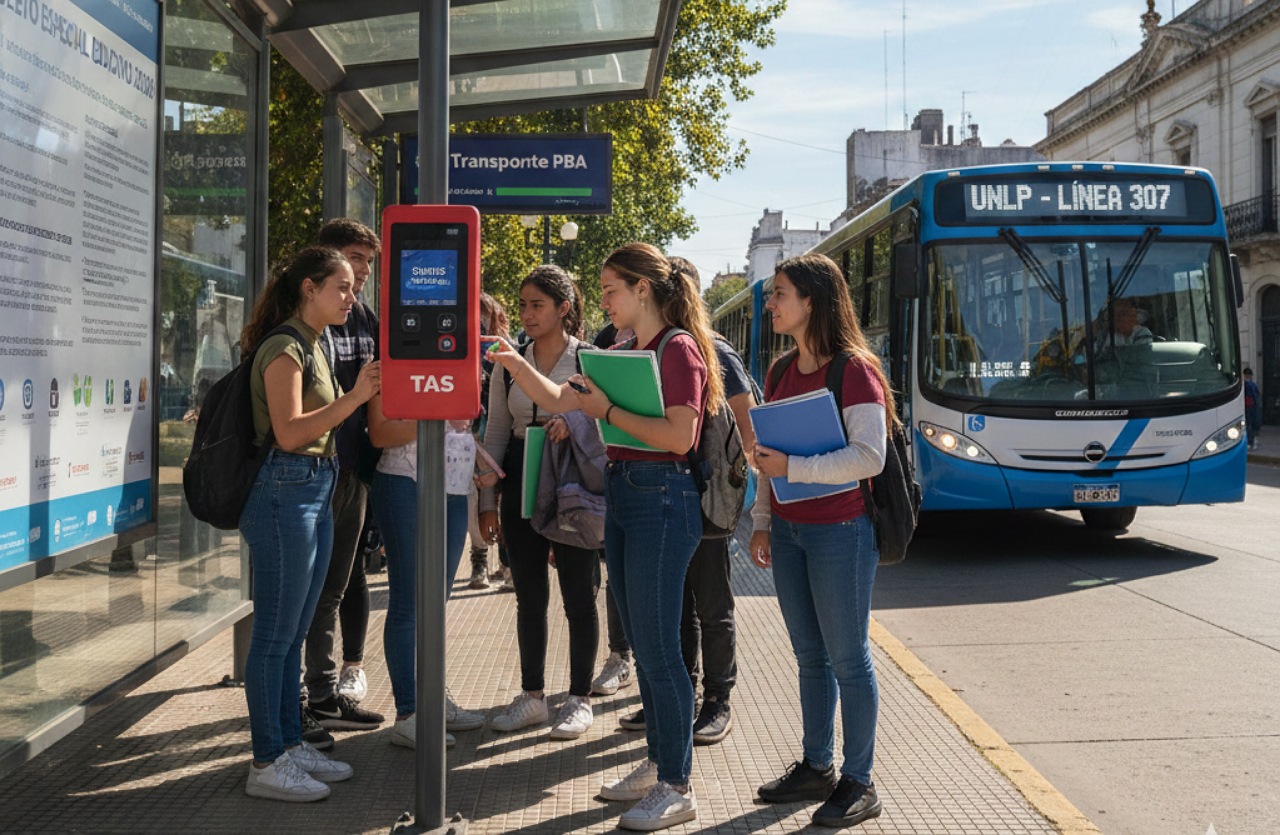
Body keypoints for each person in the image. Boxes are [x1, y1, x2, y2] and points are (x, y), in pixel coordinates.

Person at [489, 243, 723, 831]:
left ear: (643, 289)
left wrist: (609, 412)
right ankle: (659, 763)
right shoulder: (623, 348)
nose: (604, 301)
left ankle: (676, 784)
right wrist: (512, 363)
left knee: (661, 648)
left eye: (611, 289)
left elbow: (678, 437)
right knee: (645, 643)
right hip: (626, 494)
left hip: (662, 497)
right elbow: (559, 400)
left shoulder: (679, 349)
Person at [749, 253, 888, 828]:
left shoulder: (855, 370)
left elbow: (869, 457)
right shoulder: (782, 370)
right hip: (788, 530)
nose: (770, 303)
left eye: (779, 293)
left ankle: (859, 781)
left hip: (841, 531)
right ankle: (816, 767)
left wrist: (794, 468)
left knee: (848, 658)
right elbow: (767, 454)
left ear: (812, 301)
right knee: (810, 656)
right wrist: (762, 518)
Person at [238, 246, 381, 802]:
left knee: (293, 632)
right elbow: (291, 431)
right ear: (309, 289)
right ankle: (266, 760)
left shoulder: (312, 342)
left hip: (313, 487)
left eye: (353, 287)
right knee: (275, 636)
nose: (352, 297)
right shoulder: (285, 346)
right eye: (341, 287)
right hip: (285, 490)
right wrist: (356, 397)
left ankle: (290, 741)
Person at [478, 265, 602, 742]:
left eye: (538, 305)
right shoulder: (508, 361)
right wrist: (488, 500)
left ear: (563, 310)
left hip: (572, 480)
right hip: (520, 475)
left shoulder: (588, 360)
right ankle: (533, 696)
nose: (527, 314)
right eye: (523, 304)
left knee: (578, 592)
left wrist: (575, 423)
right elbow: (492, 431)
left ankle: (579, 698)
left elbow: (606, 426)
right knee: (528, 594)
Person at [301, 219, 386, 734]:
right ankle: (301, 703)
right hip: (306, 473)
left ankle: (325, 694)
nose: (362, 273)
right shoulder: (299, 332)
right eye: (355, 258)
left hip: (350, 470)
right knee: (301, 594)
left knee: (332, 586)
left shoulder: (362, 317)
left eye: (368, 264)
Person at [367, 404, 488, 749]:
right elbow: (380, 432)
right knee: (410, 602)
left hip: (454, 483)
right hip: (404, 481)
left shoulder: (464, 353)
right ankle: (409, 713)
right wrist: (437, 417)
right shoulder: (390, 358)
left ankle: (431, 699)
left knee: (435, 602)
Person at [672, 257, 756, 746]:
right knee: (676, 606)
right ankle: (680, 696)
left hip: (706, 496)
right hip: (663, 493)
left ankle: (718, 699)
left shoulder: (717, 352)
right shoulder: (654, 347)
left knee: (711, 603)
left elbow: (748, 425)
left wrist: (734, 488)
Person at [468, 292, 512, 590]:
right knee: (475, 500)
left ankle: (507, 564)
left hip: (499, 433)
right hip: (470, 434)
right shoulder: (463, 346)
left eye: (484, 314)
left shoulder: (506, 349)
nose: (479, 321)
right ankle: (479, 560)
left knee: (502, 500)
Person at [1244, 367, 1262, 450]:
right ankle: (1252, 440)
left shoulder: (1245, 384)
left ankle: (1250, 441)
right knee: (1252, 424)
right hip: (1253, 406)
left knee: (1248, 425)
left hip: (1247, 406)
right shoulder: (1253, 385)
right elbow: (1257, 395)